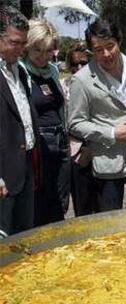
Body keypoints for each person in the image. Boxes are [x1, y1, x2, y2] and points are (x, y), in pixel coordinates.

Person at [68, 19, 126, 212]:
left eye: (110, 46)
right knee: (111, 223)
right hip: (108, 163)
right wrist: (111, 132)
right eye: (98, 50)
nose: (106, 54)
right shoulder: (82, 80)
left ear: (119, 42)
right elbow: (75, 123)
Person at [21, 19, 70, 226]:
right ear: (27, 47)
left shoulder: (53, 71)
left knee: (61, 202)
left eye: (48, 50)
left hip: (61, 141)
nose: (42, 56)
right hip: (39, 145)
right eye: (37, 50)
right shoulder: (20, 72)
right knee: (41, 204)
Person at [0, 6, 37, 237]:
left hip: (24, 171)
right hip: (3, 178)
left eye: (24, 43)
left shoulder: (19, 71)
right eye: (15, 43)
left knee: (24, 240)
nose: (22, 49)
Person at [63, 41, 98, 217]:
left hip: (98, 152)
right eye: (75, 63)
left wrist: (91, 148)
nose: (78, 67)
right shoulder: (63, 86)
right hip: (75, 155)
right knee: (82, 210)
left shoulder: (98, 85)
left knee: (102, 209)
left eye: (83, 63)